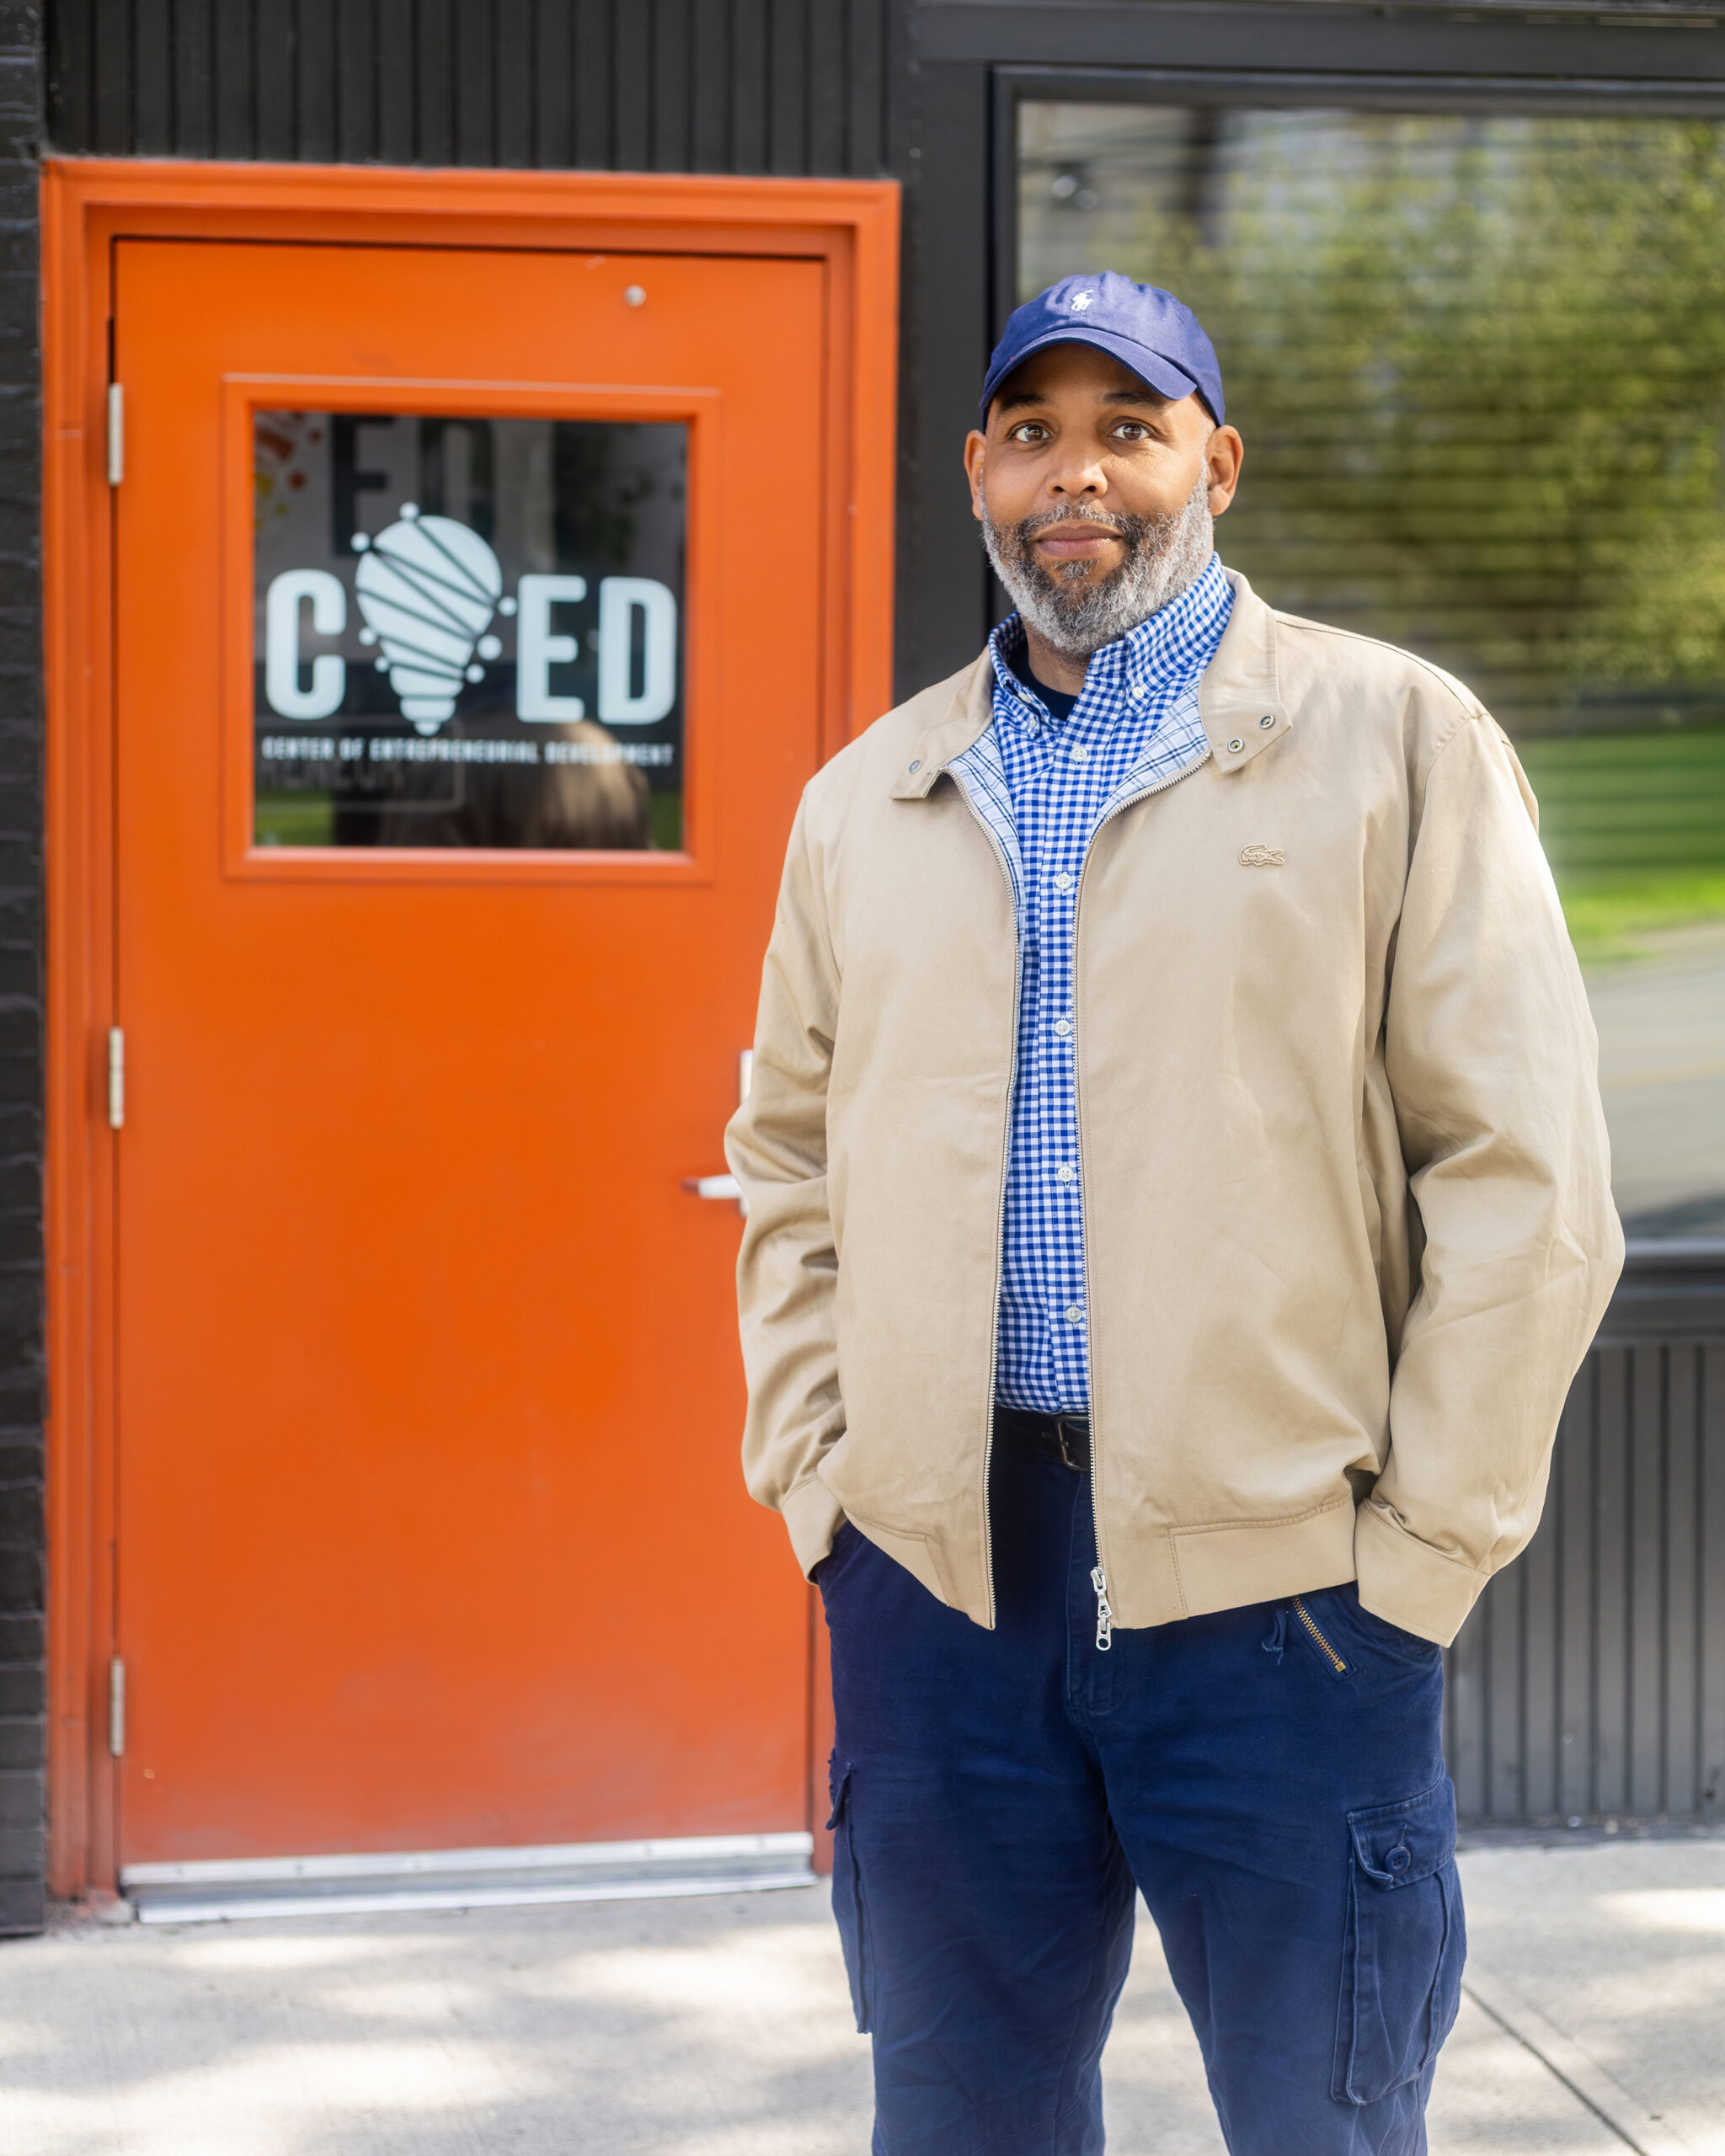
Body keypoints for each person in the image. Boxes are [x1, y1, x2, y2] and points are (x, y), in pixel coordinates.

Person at [726, 272, 1621, 2156]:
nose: (1077, 475)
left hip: (1289, 1604)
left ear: (1214, 464)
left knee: (1321, 2126)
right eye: (1033, 434)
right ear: (977, 473)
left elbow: (1523, 1179)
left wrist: (1416, 1565)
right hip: (943, 1589)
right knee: (960, 2127)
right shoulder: (867, 798)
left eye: (1127, 430)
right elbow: (788, 1161)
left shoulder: (1395, 739)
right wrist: (830, 1497)